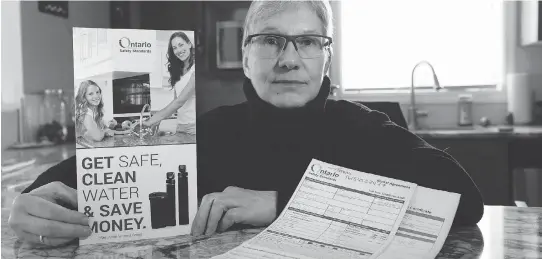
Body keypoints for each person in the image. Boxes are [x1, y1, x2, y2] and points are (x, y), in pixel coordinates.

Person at [9, 0, 484, 247]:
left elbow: (463, 198)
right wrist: (33, 200)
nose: (289, 59)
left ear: (326, 57)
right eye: (270, 40)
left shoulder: (361, 128)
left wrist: (283, 202)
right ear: (244, 55)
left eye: (309, 41)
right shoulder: (209, 131)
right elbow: (72, 178)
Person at [141, 31, 196, 135]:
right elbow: (176, 101)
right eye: (175, 48)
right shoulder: (178, 72)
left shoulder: (196, 69)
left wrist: (154, 119)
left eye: (181, 45)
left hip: (194, 126)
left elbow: (180, 101)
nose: (179, 50)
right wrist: (159, 119)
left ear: (189, 44)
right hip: (180, 126)